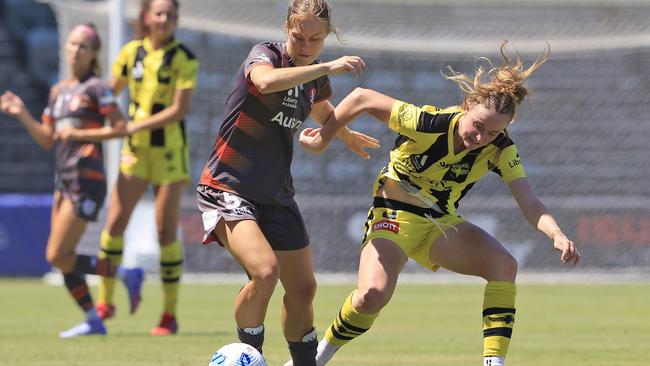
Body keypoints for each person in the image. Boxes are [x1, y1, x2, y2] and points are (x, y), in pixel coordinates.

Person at [293, 42, 581, 366]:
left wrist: (555, 234)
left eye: (492, 132)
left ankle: (493, 363)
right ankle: (317, 357)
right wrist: (323, 138)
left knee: (505, 266)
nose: (481, 137)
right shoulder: (429, 123)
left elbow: (529, 201)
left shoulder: (502, 149)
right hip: (393, 217)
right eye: (478, 125)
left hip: (440, 224)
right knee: (371, 296)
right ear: (468, 105)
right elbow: (361, 97)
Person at [196, 0, 379, 364]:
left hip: (276, 194)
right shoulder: (264, 56)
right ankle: (251, 356)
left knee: (304, 289)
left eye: (315, 38)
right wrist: (327, 66)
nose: (306, 44)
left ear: (327, 36)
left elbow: (323, 111)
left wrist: (342, 135)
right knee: (265, 272)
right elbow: (263, 82)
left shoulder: (314, 81)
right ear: (286, 29)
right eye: (299, 36)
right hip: (227, 186)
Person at [0, 23, 144, 338]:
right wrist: (22, 112)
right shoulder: (58, 90)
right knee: (62, 258)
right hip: (63, 181)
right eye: (73, 44)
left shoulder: (96, 88)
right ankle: (96, 316)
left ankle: (123, 277)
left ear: (93, 54)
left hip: (87, 179)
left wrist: (80, 133)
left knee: (56, 255)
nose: (76, 49)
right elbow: (48, 139)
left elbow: (121, 128)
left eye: (83, 45)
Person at [95, 0, 199, 336]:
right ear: (146, 17)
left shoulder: (184, 57)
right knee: (114, 222)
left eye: (170, 14)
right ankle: (104, 302)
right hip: (136, 152)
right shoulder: (130, 53)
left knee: (165, 231)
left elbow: (179, 111)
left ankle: (169, 315)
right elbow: (109, 94)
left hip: (169, 152)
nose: (164, 19)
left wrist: (132, 125)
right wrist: (106, 113)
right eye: (159, 13)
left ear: (176, 19)